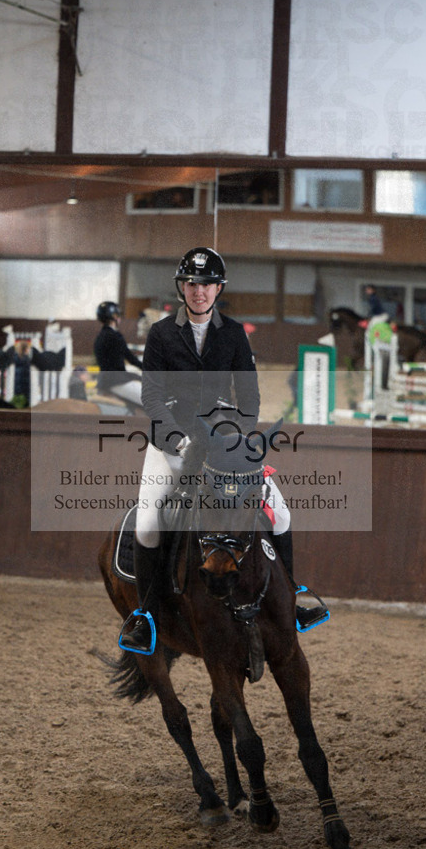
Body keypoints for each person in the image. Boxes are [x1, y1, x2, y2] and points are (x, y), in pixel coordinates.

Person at [118, 246, 329, 654]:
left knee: (280, 512)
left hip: (223, 442)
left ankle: (295, 597)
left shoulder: (232, 333)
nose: (199, 291)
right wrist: (178, 436)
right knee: (148, 524)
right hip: (173, 444)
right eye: (193, 284)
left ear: (218, 289)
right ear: (183, 287)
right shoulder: (161, 334)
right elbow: (151, 396)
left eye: (207, 284)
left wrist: (237, 440)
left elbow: (249, 399)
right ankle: (145, 616)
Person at [93, 301, 143, 408]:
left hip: (104, 381)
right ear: (114, 317)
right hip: (117, 382)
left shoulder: (99, 337)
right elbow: (130, 358)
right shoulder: (115, 336)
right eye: (118, 315)